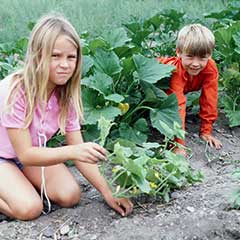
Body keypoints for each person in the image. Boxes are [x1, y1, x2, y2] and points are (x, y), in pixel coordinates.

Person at [0, 14, 133, 220]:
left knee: (70, 195)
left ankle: (18, 183)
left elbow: (78, 149)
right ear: (38, 55)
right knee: (29, 209)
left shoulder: (65, 95)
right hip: (7, 157)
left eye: (71, 57)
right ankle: (17, 190)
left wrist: (109, 192)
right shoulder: (15, 90)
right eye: (55, 56)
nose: (65, 64)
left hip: (25, 157)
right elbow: (26, 153)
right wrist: (73, 151)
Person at [157, 23, 222, 156]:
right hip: (156, 86)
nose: (196, 63)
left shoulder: (210, 68)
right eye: (190, 56)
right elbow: (178, 106)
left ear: (210, 55)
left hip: (181, 88)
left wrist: (206, 131)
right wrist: (178, 144)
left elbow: (210, 99)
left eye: (202, 57)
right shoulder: (174, 71)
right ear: (178, 52)